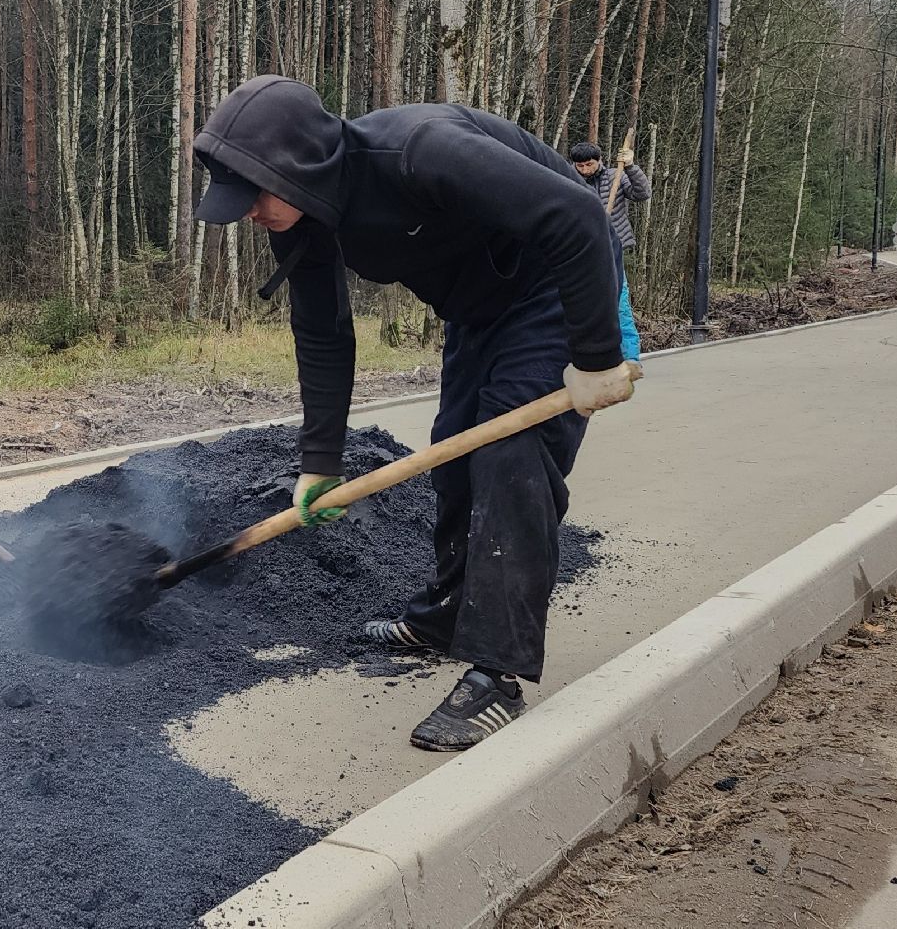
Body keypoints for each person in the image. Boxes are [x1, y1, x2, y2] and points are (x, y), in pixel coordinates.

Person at [192, 75, 636, 752]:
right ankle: (448, 616)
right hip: (480, 311)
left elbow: (577, 217)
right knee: (453, 453)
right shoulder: (304, 219)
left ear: (297, 165)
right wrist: (320, 464)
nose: (248, 213)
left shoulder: (419, 151)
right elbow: (322, 334)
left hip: (556, 285)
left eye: (253, 194)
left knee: (511, 454)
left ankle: (499, 674)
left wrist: (598, 354)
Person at [568, 142, 648, 362]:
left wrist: (631, 167)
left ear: (599, 160)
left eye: (589, 164)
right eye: (580, 165)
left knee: (619, 304)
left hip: (614, 251)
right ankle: (589, 357)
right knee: (581, 306)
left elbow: (642, 193)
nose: (585, 170)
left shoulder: (616, 176)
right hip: (583, 251)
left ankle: (630, 358)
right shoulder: (569, 181)